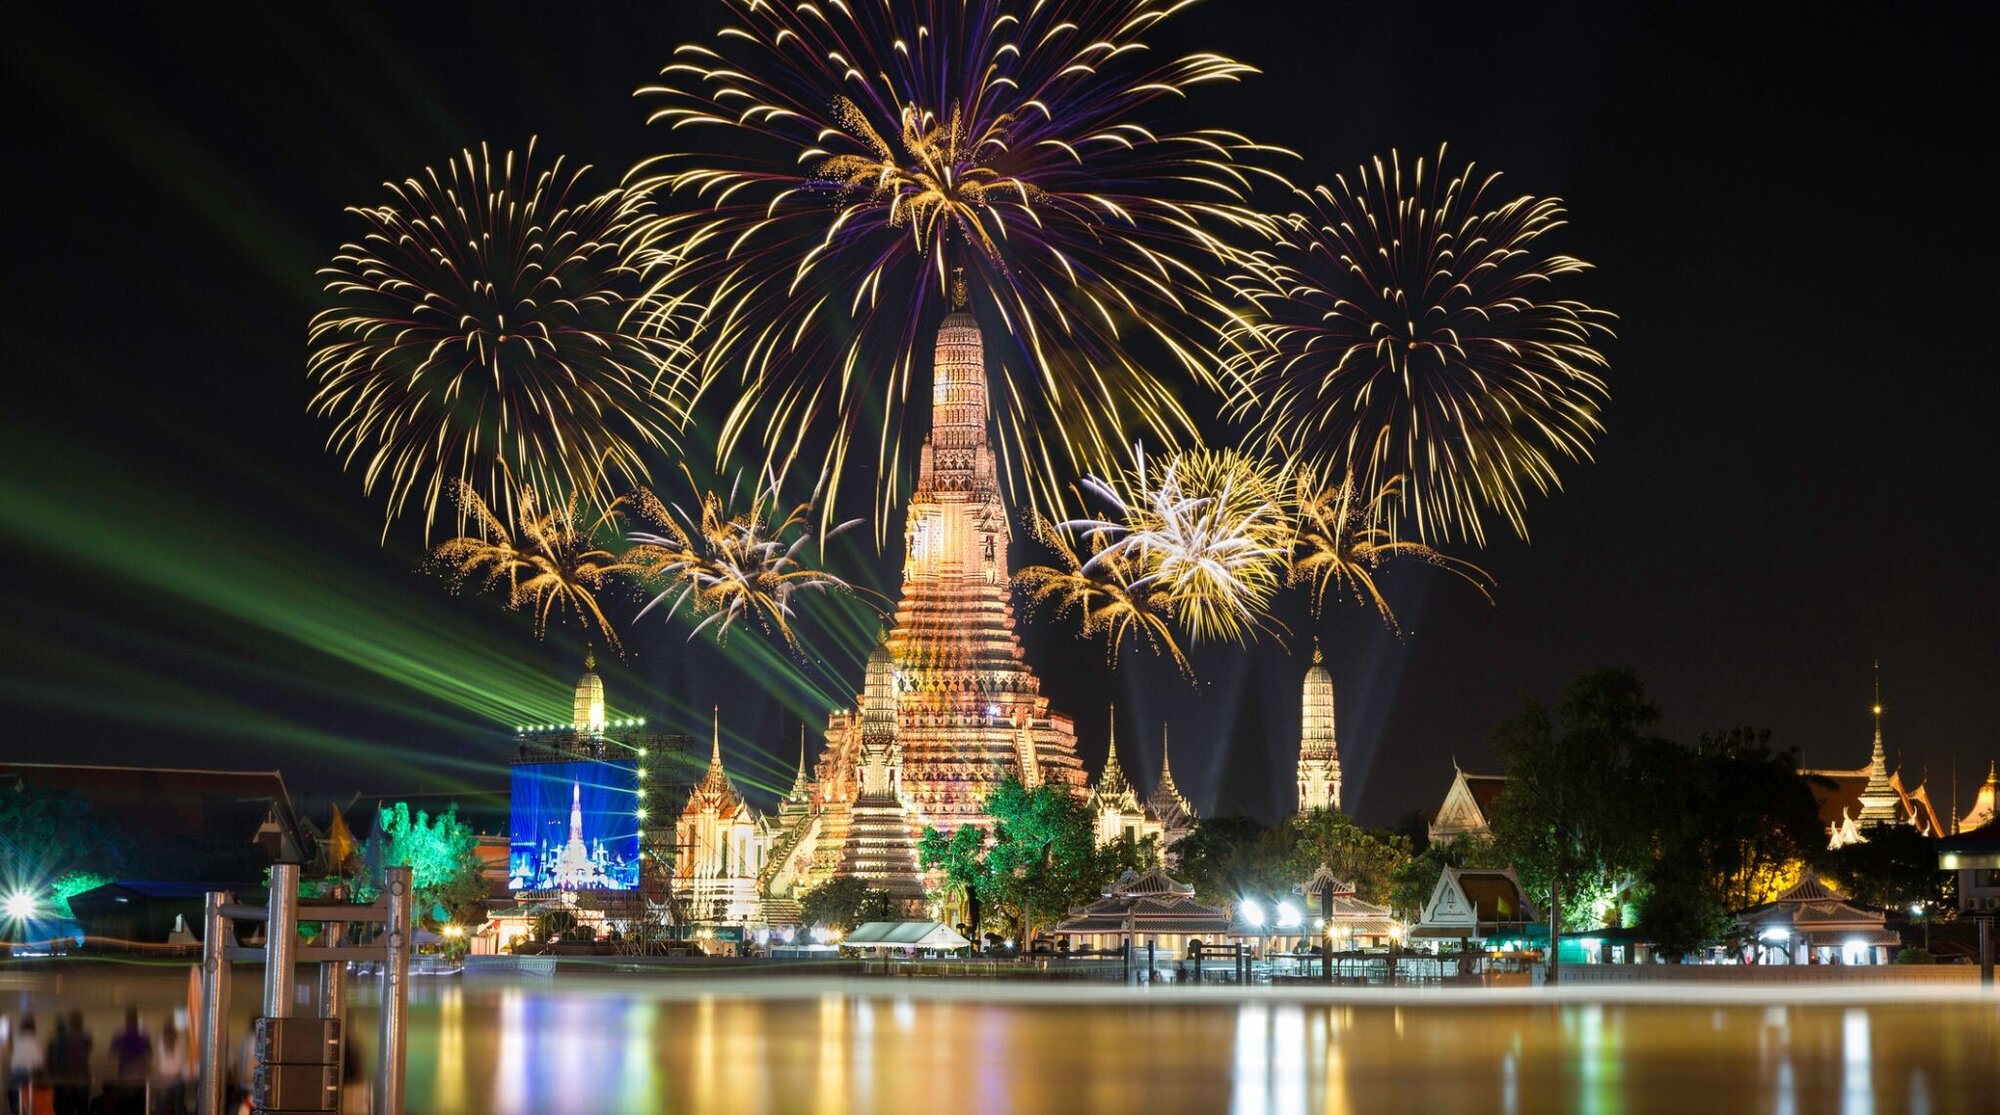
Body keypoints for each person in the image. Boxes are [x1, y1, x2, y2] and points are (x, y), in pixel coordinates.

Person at [46, 1013, 88, 1115]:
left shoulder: (55, 1041)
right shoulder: (84, 1038)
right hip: (78, 1079)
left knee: (63, 1108)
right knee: (80, 1108)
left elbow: (51, 1062)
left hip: (62, 1080)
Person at [152, 1016, 189, 1115]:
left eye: (171, 1034)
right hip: (164, 1078)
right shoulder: (160, 1044)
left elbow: (183, 1062)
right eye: (167, 1034)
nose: (169, 1037)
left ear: (174, 1035)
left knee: (179, 1102)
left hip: (176, 1077)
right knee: (160, 1102)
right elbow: (157, 1062)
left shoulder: (179, 1045)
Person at [7, 1016, 44, 1115]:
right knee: (29, 1107)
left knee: (16, 1106)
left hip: (15, 1077)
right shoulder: (36, 1042)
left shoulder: (17, 1040)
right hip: (30, 1078)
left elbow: (11, 1061)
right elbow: (39, 1063)